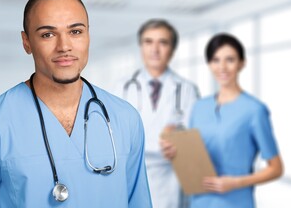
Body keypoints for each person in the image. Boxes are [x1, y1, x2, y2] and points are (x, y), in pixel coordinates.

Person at [0, 0, 152, 208]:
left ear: (88, 35)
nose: (64, 46)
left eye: (75, 31)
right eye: (48, 34)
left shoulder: (125, 119)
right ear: (26, 42)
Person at [189, 33, 283, 208]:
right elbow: (193, 156)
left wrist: (235, 183)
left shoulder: (254, 110)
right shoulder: (199, 107)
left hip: (235, 202)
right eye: (215, 60)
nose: (222, 67)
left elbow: (276, 168)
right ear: (209, 64)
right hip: (199, 201)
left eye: (230, 59)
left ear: (242, 63)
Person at [114, 19, 199, 208]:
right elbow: (114, 132)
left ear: (173, 49)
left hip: (171, 176)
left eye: (163, 42)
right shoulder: (123, 87)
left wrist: (180, 137)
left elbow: (195, 139)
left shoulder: (186, 89)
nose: (155, 49)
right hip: (134, 171)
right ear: (141, 46)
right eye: (148, 41)